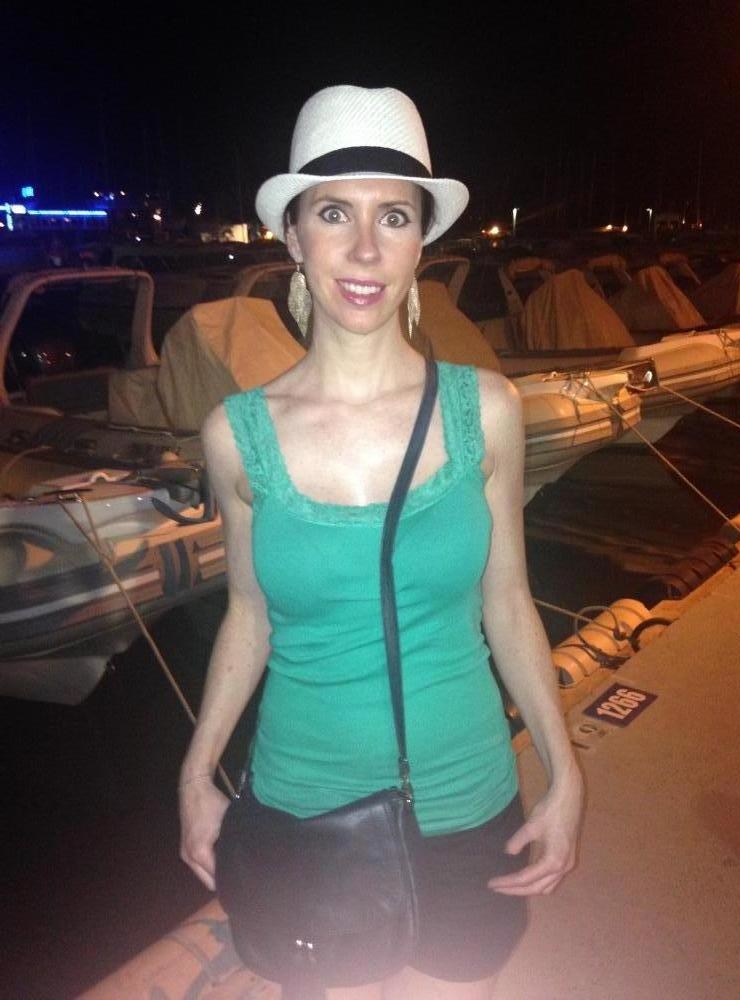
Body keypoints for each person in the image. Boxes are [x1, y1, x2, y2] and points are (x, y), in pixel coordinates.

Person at [179, 84, 584, 1000]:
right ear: (293, 236)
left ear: (419, 242)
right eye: (335, 213)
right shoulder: (236, 434)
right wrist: (196, 774)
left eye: (393, 217)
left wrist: (565, 775)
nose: (365, 248)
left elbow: (507, 601)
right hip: (304, 810)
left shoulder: (487, 411)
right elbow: (248, 615)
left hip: (467, 803)